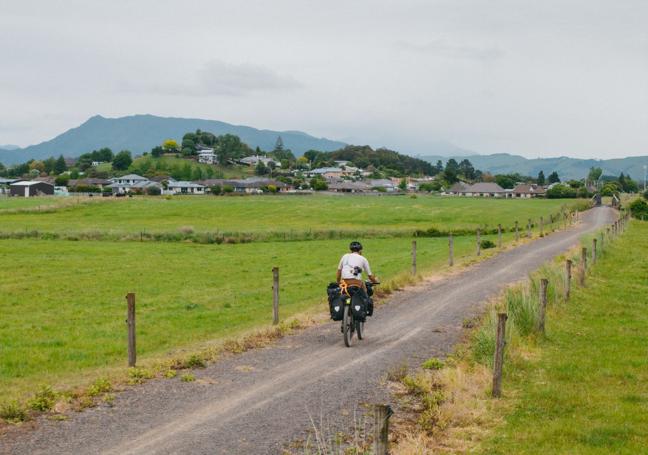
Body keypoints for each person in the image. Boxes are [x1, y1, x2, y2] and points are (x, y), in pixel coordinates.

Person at [336, 241, 378, 316]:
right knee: (364, 293)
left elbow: (339, 271)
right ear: (360, 250)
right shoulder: (363, 259)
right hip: (356, 283)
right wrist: (375, 281)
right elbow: (370, 276)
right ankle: (362, 311)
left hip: (344, 283)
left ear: (351, 250)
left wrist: (338, 282)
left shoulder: (345, 256)